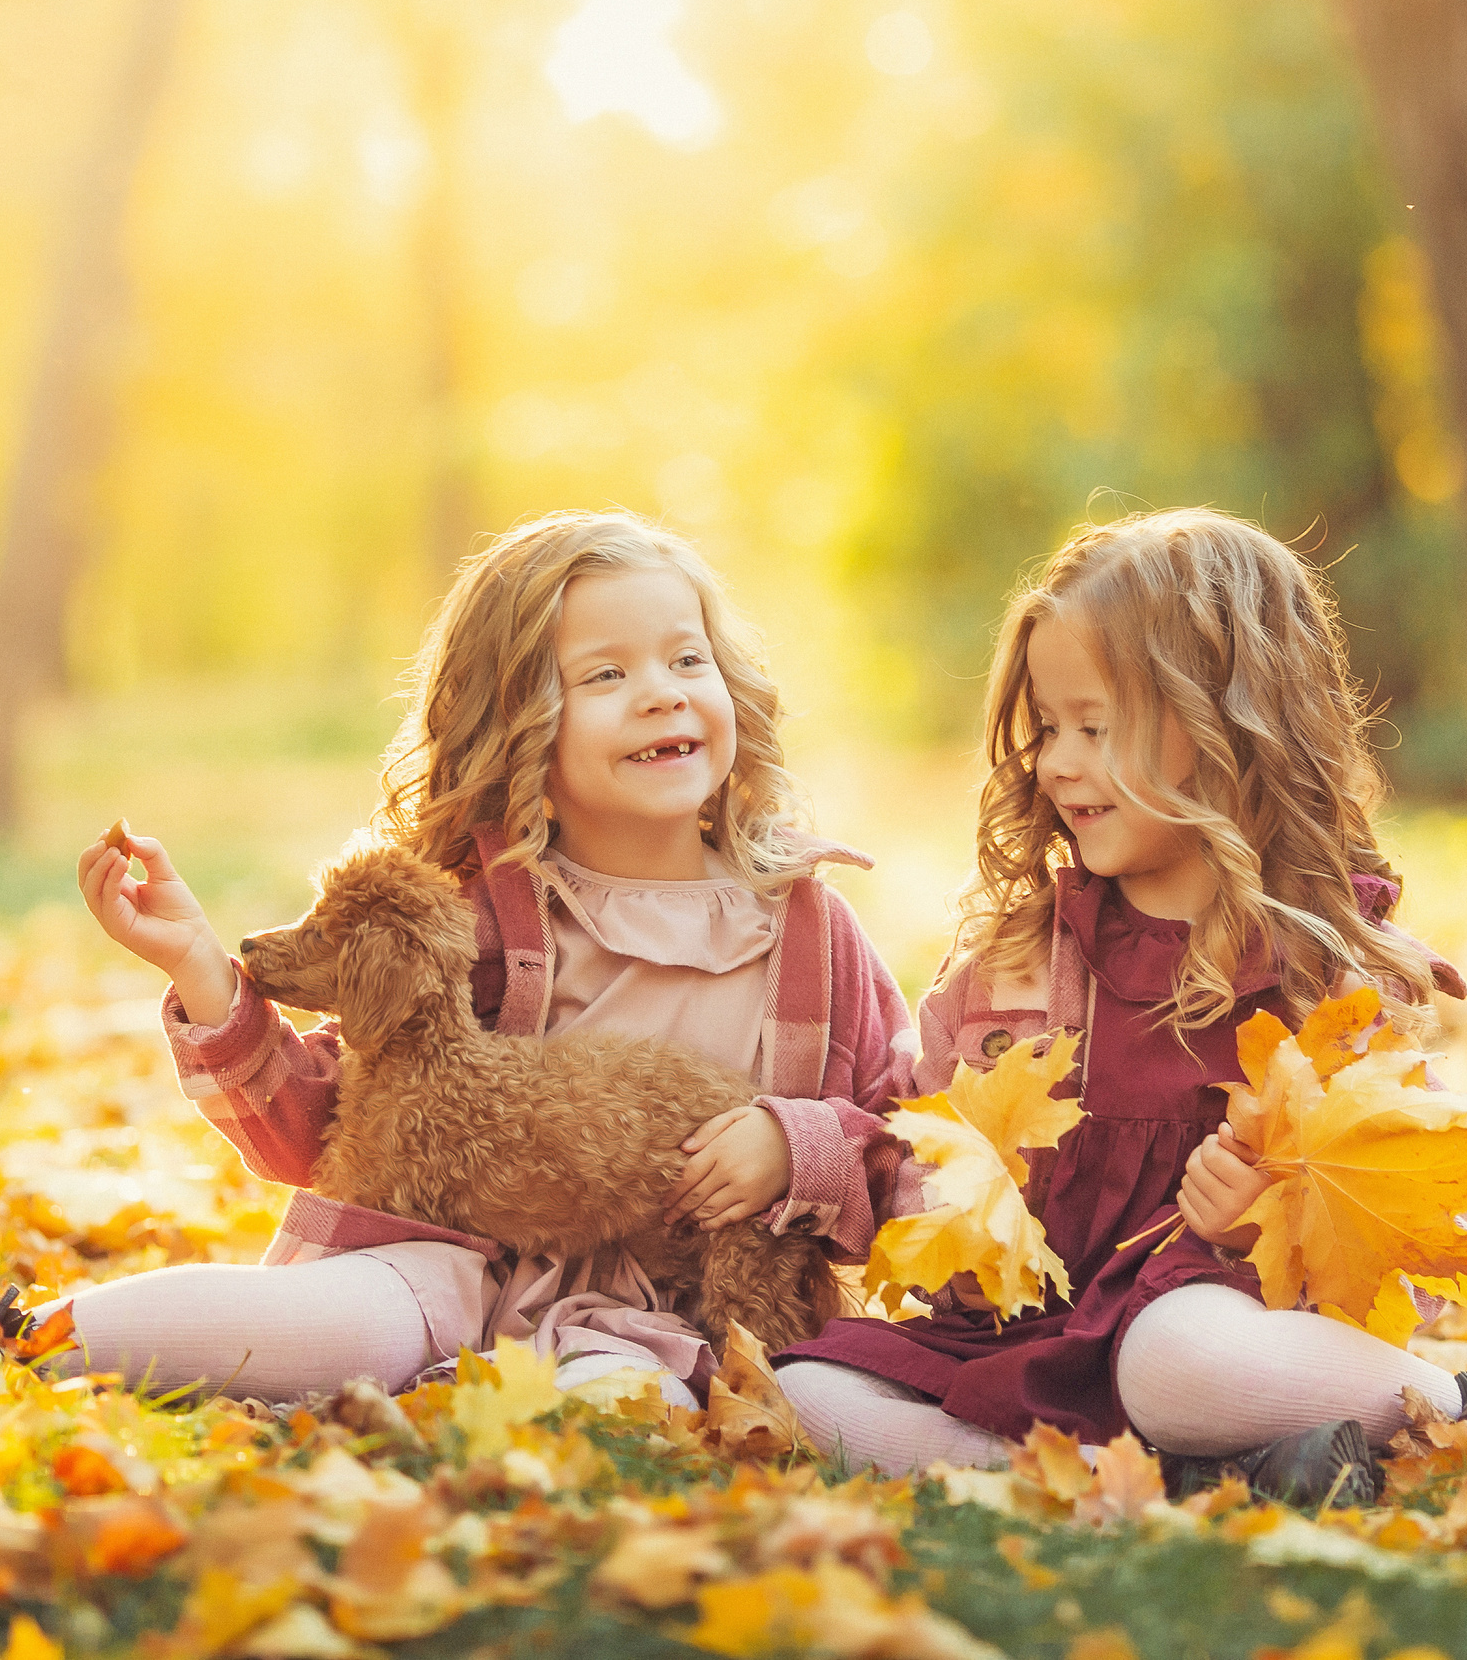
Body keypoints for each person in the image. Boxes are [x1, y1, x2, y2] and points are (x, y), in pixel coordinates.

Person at [771, 509, 1467, 1500]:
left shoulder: (1324, 970)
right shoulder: (1020, 961)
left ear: (1218, 725)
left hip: (1219, 1324)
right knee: (812, 1384)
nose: (1056, 761)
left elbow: (1380, 1222)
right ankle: (1166, 1483)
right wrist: (947, 1204)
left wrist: (1261, 1215)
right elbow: (922, 1143)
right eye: (1048, 728)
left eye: (1093, 726)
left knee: (1174, 1362)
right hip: (1040, 1332)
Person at [52, 512, 917, 1411]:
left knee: (624, 1400)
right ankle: (29, 1334)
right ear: (520, 724)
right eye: (607, 674)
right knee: (333, 1323)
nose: (662, 693)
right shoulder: (481, 911)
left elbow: (906, 1138)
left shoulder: (808, 930)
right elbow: (332, 1133)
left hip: (685, 1309)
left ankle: (563, 1428)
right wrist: (201, 966)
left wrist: (797, 1146)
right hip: (446, 1276)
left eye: (688, 660)